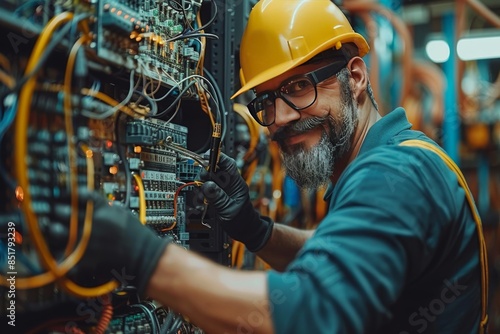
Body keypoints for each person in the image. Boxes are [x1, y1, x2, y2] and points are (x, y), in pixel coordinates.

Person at [67, 0, 488, 333]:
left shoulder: (394, 174)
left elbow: (312, 313)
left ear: (355, 76)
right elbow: (336, 258)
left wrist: (143, 256)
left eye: (298, 87)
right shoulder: (400, 156)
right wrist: (257, 232)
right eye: (266, 102)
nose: (282, 117)